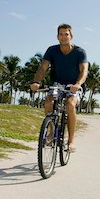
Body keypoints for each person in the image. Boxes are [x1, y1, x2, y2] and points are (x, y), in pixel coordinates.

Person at [30, 24, 89, 152]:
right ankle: (51, 132)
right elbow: (43, 67)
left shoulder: (79, 52)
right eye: (61, 34)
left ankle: (71, 141)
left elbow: (84, 70)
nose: (63, 37)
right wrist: (36, 81)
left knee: (70, 105)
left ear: (71, 36)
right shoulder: (52, 50)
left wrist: (78, 84)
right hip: (56, 84)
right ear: (57, 36)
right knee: (48, 103)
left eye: (66, 34)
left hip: (73, 85)